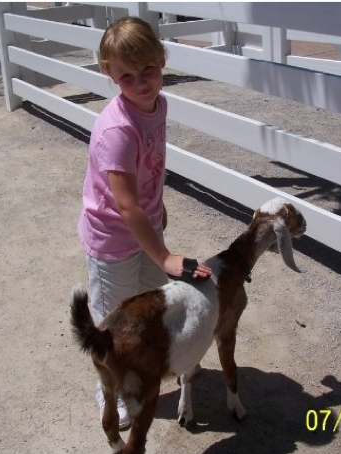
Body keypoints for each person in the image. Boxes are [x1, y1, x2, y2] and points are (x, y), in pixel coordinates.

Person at [77, 16, 212, 429]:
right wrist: (166, 255)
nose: (141, 83)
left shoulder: (158, 105)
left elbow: (151, 168)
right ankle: (111, 394)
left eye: (148, 70)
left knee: (148, 305)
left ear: (162, 60)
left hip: (145, 226)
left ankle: (148, 364)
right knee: (113, 322)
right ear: (109, 73)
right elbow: (125, 206)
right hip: (112, 240)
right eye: (127, 76)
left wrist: (159, 206)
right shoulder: (116, 130)